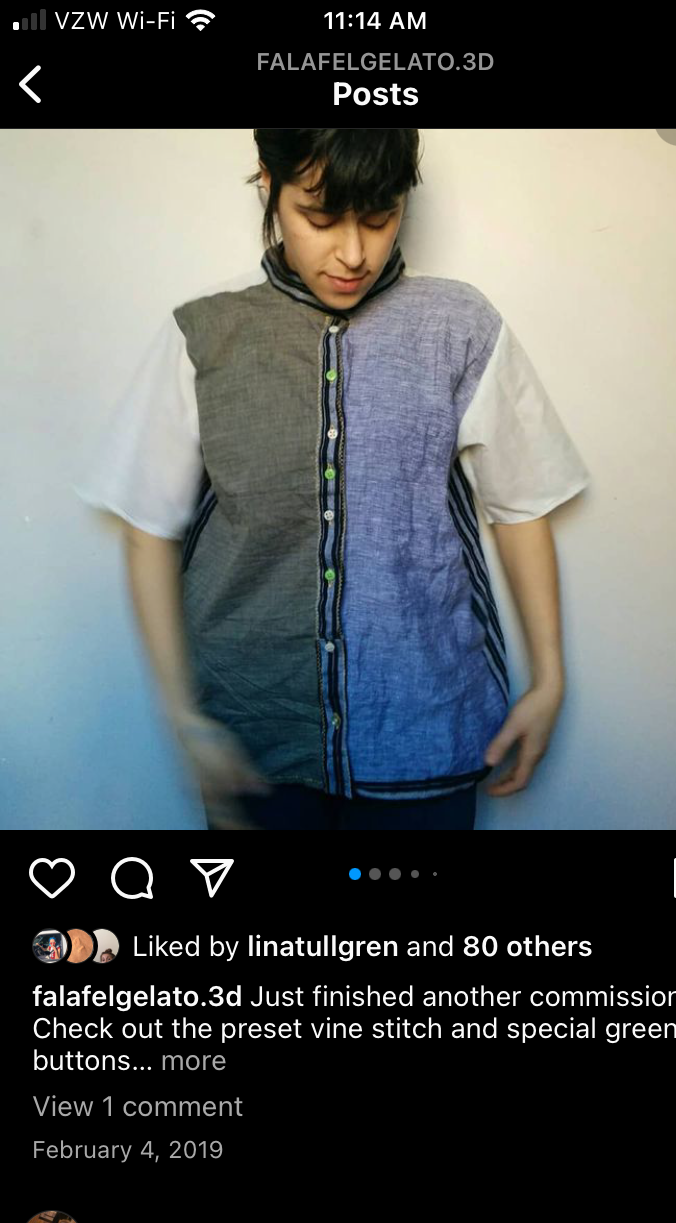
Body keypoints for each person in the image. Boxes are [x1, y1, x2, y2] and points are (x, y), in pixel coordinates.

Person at [75, 129, 590, 830]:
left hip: (423, 723)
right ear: (269, 184)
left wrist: (550, 679)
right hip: (253, 732)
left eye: (380, 218)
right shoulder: (206, 331)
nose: (353, 254)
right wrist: (182, 714)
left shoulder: (459, 325)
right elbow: (148, 526)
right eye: (319, 217)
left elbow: (522, 502)